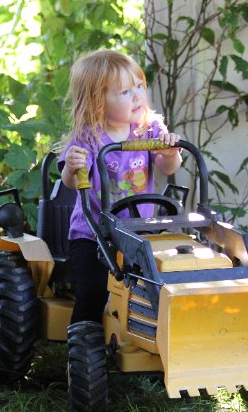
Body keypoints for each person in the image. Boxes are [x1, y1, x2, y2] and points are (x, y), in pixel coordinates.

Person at [58, 49, 182, 325]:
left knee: (152, 286)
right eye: (125, 91)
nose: (137, 96)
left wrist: (171, 153)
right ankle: (84, 340)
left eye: (139, 86)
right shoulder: (88, 137)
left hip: (139, 230)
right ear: (97, 101)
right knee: (92, 291)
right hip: (93, 234)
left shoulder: (149, 128)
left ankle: (143, 333)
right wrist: (71, 167)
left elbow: (167, 168)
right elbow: (71, 182)